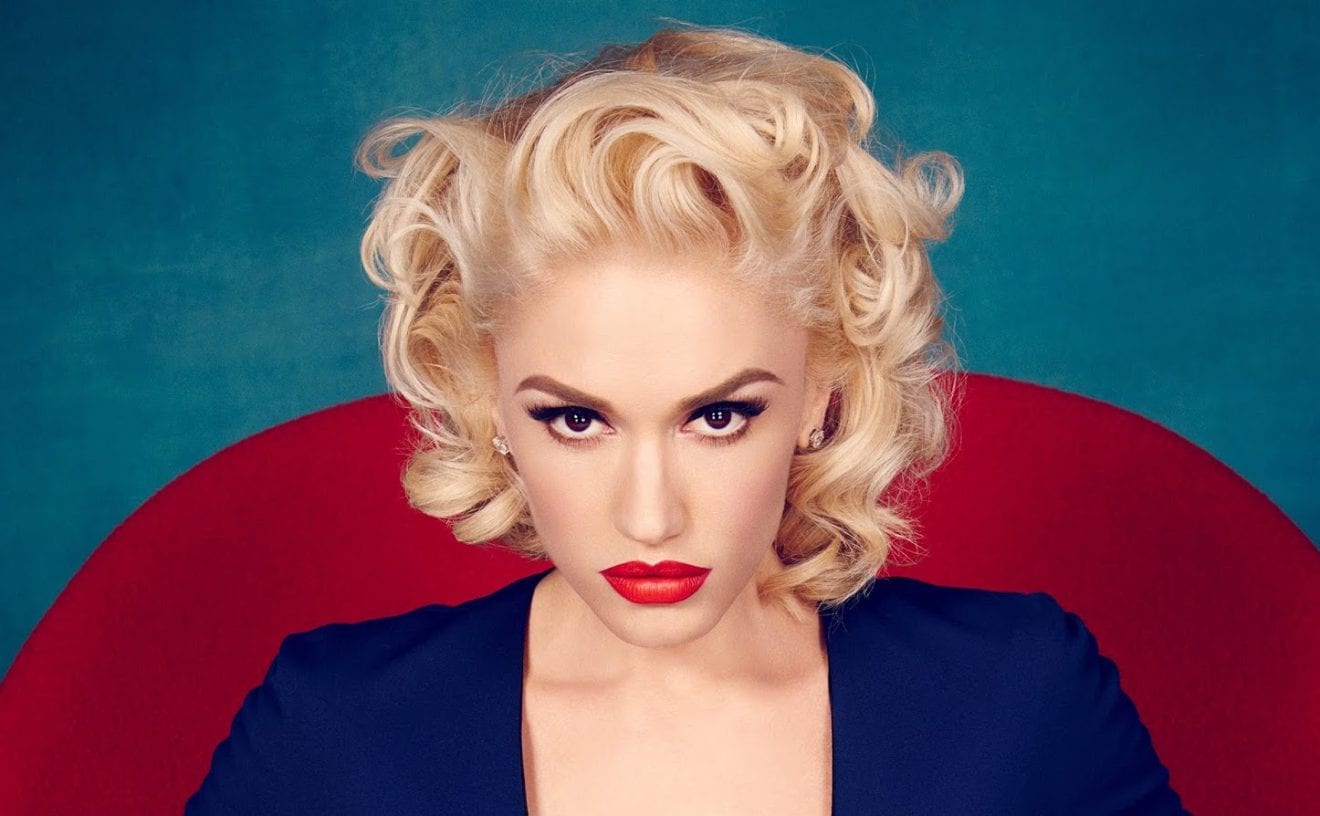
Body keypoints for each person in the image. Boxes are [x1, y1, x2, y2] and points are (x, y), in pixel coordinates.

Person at [185, 26, 1185, 815]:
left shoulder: (1018, 700)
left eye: (719, 415)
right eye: (576, 420)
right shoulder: (335, 730)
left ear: (823, 389)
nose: (651, 515)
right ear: (485, 400)